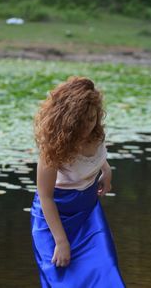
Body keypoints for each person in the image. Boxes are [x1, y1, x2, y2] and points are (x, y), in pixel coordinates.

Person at [30, 76, 126, 287]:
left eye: (92, 119)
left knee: (105, 269)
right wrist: (61, 241)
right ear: (68, 118)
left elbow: (98, 157)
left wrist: (106, 170)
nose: (88, 126)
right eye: (81, 121)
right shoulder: (53, 147)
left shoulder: (97, 133)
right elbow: (45, 197)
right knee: (63, 279)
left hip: (89, 212)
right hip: (54, 216)